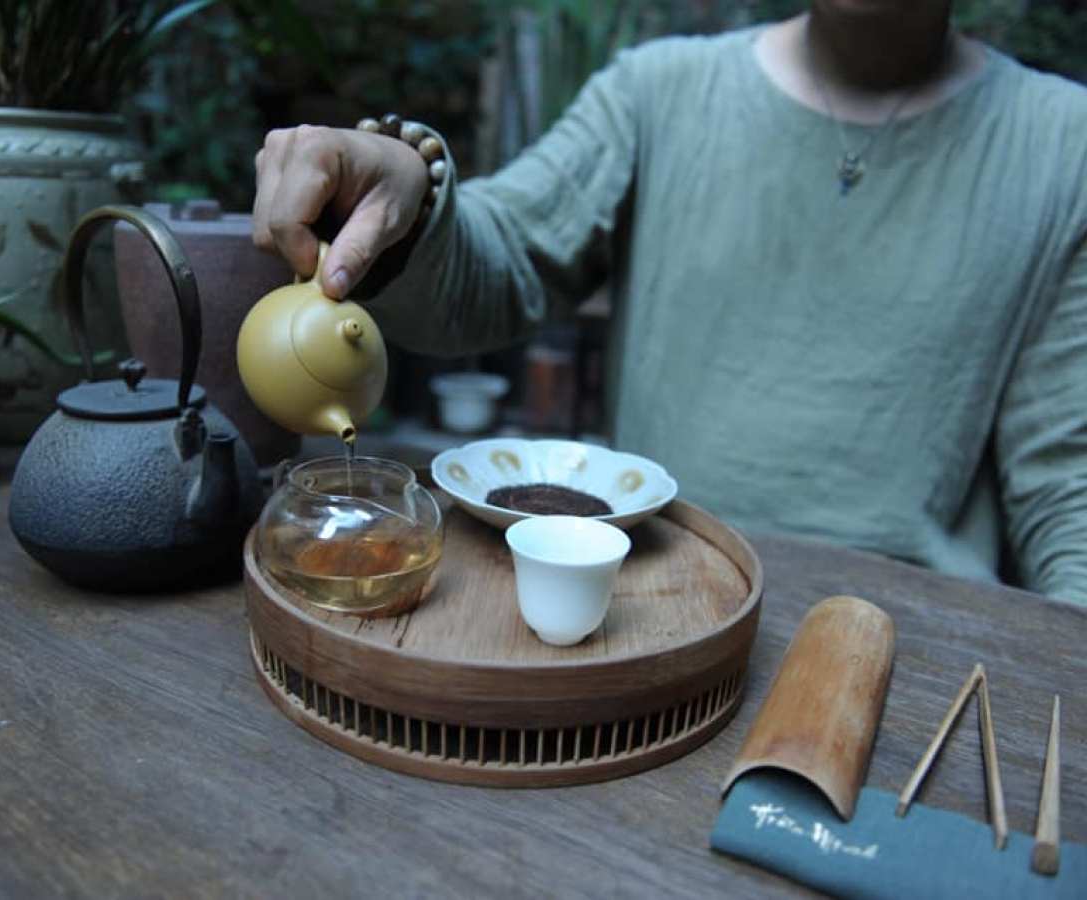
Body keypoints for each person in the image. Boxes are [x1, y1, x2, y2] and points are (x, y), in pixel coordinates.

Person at [251, 2, 1087, 605]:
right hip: (650, 599)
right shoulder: (658, 93)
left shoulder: (1062, 146)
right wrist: (409, 188)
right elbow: (493, 271)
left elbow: (1068, 479)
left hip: (916, 635)